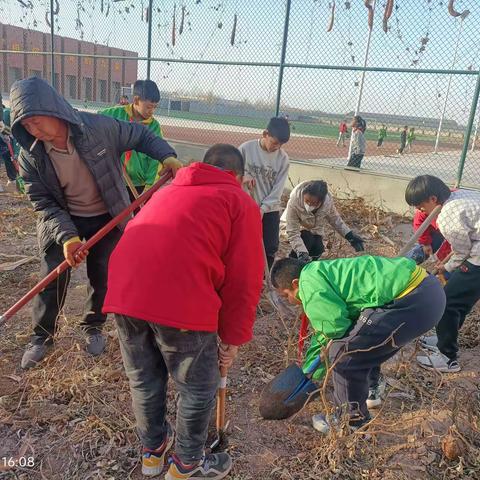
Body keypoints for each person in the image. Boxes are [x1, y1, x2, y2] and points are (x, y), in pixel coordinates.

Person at [103, 144, 264, 479]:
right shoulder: (238, 202)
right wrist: (232, 340)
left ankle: (152, 454)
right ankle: (188, 463)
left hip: (125, 294)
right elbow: (244, 280)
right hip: (180, 300)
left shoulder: (169, 188)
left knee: (144, 378)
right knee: (197, 387)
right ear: (238, 176)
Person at [10, 76, 182, 370]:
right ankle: (42, 336)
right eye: (26, 126)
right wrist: (67, 238)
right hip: (64, 223)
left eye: (36, 121)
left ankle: (93, 327)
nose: (33, 130)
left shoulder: (98, 129)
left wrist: (166, 156)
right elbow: (44, 204)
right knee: (52, 277)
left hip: (107, 216)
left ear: (54, 110)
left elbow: (141, 137)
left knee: (102, 276)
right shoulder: (31, 157)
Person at [271, 256, 445, 431]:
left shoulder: (309, 282)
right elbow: (338, 326)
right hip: (429, 291)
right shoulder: (325, 271)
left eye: (286, 295)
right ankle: (371, 389)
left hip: (411, 300)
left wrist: (314, 370)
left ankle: (351, 422)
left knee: (343, 354)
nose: (290, 301)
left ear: (295, 283)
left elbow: (333, 327)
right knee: (363, 337)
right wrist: (313, 369)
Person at [405, 175, 480, 373]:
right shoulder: (458, 195)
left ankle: (447, 357)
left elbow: (462, 252)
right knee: (459, 299)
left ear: (432, 199)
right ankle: (444, 336)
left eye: (420, 206)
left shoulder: (447, 216)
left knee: (448, 302)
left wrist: (444, 268)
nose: (419, 211)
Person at [100, 80, 165, 201]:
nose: (152, 111)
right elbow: (93, 125)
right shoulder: (114, 114)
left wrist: (149, 188)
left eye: (155, 107)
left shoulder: (154, 127)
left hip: (138, 185)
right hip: (113, 179)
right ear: (136, 100)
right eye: (149, 107)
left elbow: (156, 160)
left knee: (136, 217)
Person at [240, 117, 290, 269]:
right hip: (246, 207)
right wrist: (243, 177)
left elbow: (278, 190)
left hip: (269, 210)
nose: (277, 147)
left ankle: (263, 278)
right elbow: (232, 172)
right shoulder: (245, 149)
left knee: (269, 247)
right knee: (244, 244)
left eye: (281, 145)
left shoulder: (283, 159)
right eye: (275, 142)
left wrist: (263, 209)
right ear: (265, 134)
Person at [284, 180, 364, 262]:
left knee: (318, 248)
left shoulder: (327, 204)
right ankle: (291, 264)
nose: (309, 205)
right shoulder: (294, 203)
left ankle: (310, 267)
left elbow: (335, 219)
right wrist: (301, 253)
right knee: (307, 240)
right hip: (298, 231)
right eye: (307, 201)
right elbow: (292, 231)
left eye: (313, 203)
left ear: (321, 202)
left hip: (316, 231)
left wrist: (349, 235)